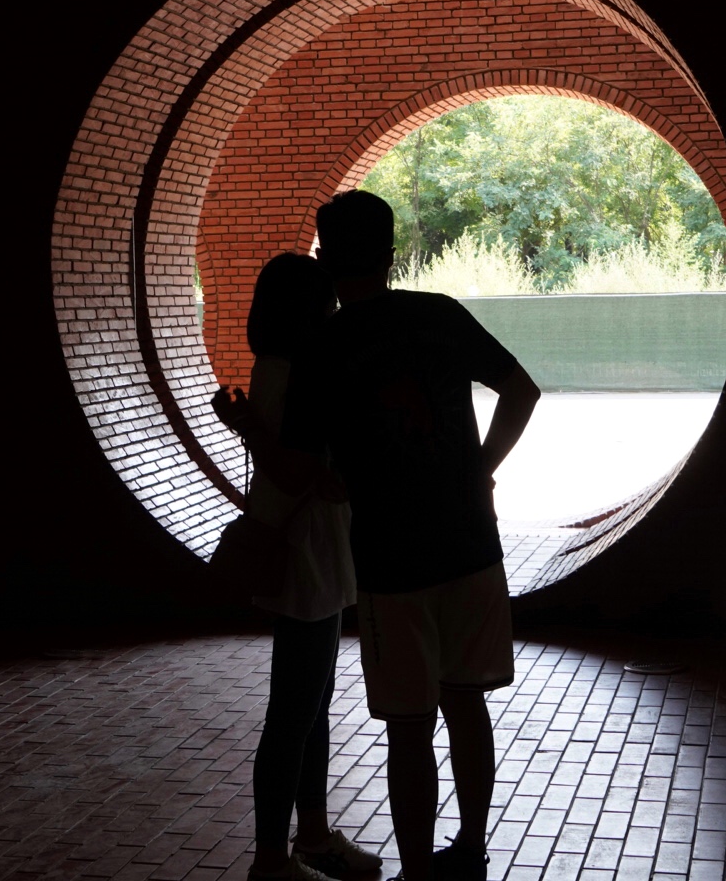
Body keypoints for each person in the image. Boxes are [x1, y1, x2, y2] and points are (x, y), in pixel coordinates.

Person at [219, 191, 540, 881]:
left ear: (326, 258)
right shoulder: (441, 314)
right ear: (392, 254)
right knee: (467, 705)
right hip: (472, 550)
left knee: (407, 728)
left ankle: (418, 870)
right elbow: (522, 391)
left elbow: (301, 469)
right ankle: (473, 849)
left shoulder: (322, 353)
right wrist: (478, 471)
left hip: (390, 565)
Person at [225, 253, 384, 881]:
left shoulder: (278, 367)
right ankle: (273, 857)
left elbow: (282, 455)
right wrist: (325, 473)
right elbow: (291, 467)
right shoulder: (293, 370)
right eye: (326, 301)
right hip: (307, 555)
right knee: (294, 713)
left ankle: (311, 838)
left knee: (308, 706)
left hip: (311, 552)